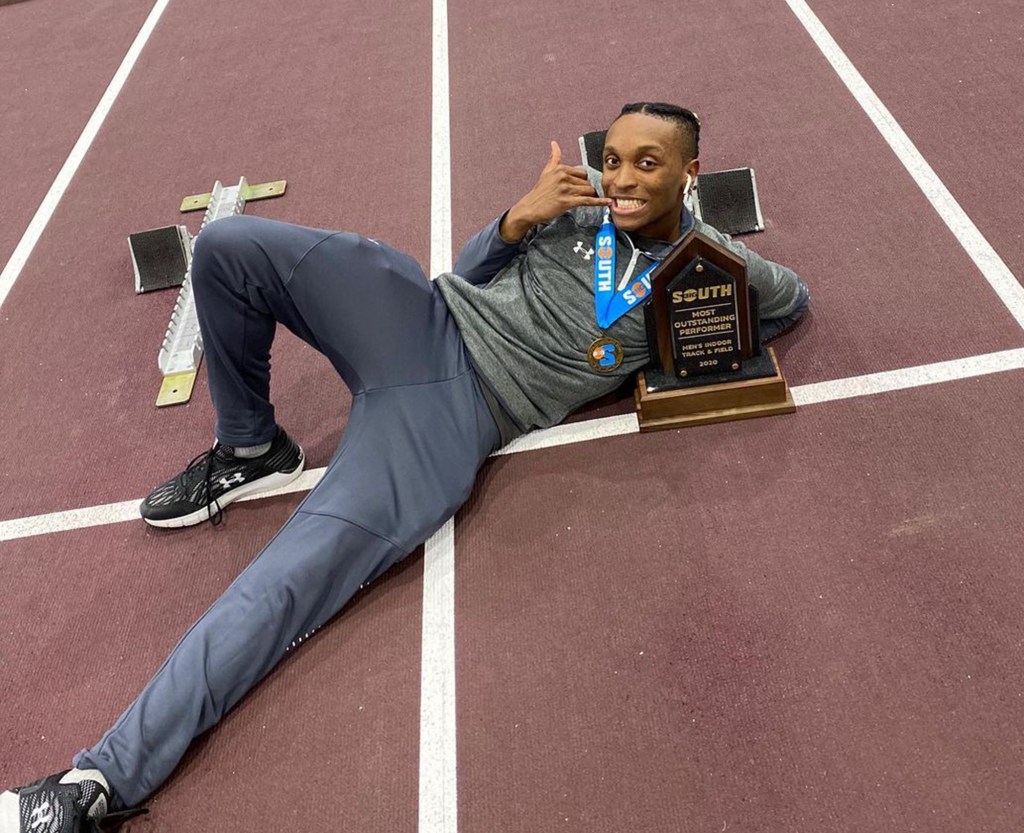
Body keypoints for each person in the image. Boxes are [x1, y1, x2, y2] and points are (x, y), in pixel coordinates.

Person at [0, 102, 808, 833]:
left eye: (648, 163)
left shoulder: (701, 263)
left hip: (457, 415)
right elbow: (468, 269)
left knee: (288, 577)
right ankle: (251, 448)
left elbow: (791, 299)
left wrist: (704, 300)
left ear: (689, 172)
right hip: (420, 316)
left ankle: (94, 782)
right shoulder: (578, 205)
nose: (623, 177)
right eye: (618, 157)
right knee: (227, 244)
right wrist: (514, 221)